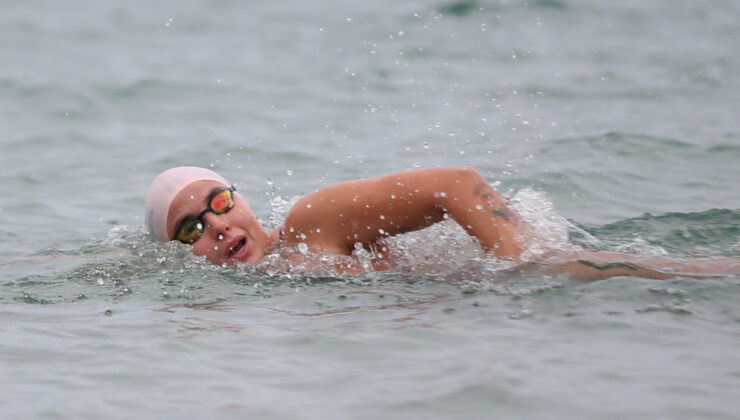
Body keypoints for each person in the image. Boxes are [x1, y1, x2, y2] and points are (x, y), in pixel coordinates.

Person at [145, 166, 738, 280]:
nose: (215, 227)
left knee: (691, 275)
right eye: (190, 230)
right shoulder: (260, 284)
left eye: (218, 203)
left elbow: (459, 185)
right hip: (482, 308)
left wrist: (522, 267)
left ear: (241, 198)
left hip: (522, 282)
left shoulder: (308, 224)